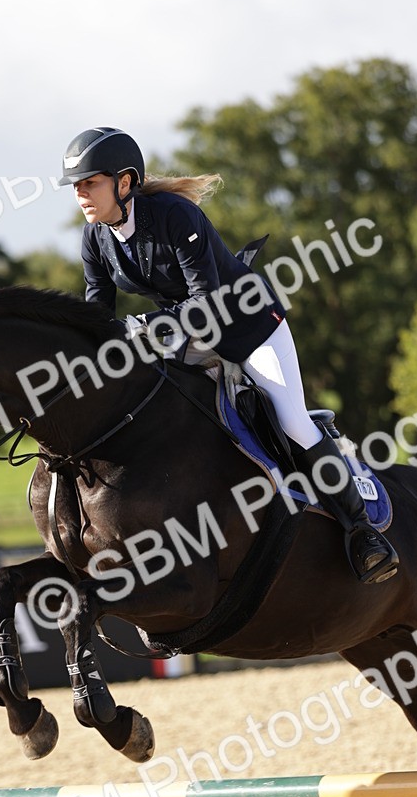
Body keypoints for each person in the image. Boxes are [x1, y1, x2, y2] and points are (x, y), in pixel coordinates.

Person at [58, 126, 397, 584]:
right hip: (187, 339)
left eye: (89, 182)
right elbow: (97, 310)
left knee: (292, 422)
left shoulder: (175, 215)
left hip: (249, 329)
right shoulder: (95, 238)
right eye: (76, 186)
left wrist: (142, 328)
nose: (81, 194)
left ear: (124, 182)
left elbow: (207, 302)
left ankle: (363, 532)